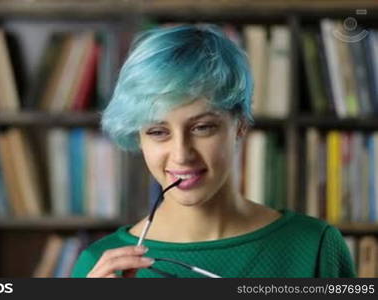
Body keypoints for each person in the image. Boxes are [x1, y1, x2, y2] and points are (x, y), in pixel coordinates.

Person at [71, 24, 356, 278]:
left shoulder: (315, 247)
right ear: (139, 137)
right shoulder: (99, 265)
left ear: (241, 125)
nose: (181, 154)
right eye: (158, 132)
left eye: (202, 128)